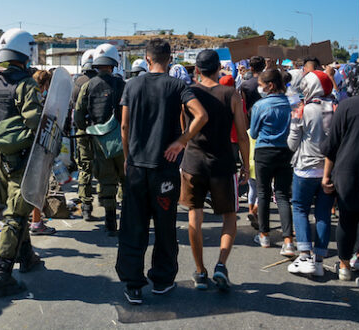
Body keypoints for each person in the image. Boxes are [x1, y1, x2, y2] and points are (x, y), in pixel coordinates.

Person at [116, 39, 207, 304]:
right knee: (165, 226)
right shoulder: (178, 85)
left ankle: (133, 284)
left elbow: (124, 126)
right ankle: (162, 280)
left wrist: (127, 157)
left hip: (136, 167)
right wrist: (181, 141)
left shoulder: (131, 85)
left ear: (147, 59)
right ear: (170, 60)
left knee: (133, 226)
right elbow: (200, 115)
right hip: (165, 170)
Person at [0, 28, 44, 297]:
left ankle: (26, 256)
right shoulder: (26, 84)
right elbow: (36, 122)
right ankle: (1, 274)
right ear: (25, 52)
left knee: (18, 206)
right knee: (15, 214)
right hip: (23, 157)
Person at [180, 50, 249, 291]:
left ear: (196, 69)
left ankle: (200, 271)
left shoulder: (189, 92)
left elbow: (184, 128)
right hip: (223, 164)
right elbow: (241, 134)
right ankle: (221, 264)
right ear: (219, 68)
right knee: (229, 216)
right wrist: (246, 165)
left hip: (193, 163)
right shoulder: (231, 93)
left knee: (194, 215)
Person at [320, 60, 359, 297]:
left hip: (347, 172)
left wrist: (326, 175)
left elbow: (332, 145)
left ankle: (343, 265)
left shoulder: (347, 106)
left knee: (346, 219)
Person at [286, 71, 335, 277]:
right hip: (328, 170)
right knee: (323, 214)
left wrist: (295, 123)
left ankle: (304, 255)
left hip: (305, 168)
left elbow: (291, 144)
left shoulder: (303, 109)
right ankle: (320, 260)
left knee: (300, 209)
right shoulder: (335, 108)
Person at [74, 43, 126, 235]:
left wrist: (90, 130)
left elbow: (78, 117)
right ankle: (128, 221)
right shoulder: (122, 85)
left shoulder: (87, 86)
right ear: (114, 63)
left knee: (106, 180)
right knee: (125, 180)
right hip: (121, 139)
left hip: (98, 141)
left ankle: (110, 222)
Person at [250, 70, 296, 256]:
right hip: (286, 151)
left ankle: (264, 235)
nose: (259, 87)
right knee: (283, 196)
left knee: (263, 193)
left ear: (269, 85)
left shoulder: (260, 105)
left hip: (264, 151)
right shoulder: (291, 104)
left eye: (261, 84)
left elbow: (253, 133)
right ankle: (288, 241)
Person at [72, 50, 98, 221]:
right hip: (101, 132)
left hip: (82, 133)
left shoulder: (76, 83)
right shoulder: (100, 82)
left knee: (84, 168)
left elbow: (72, 109)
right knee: (105, 168)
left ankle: (86, 207)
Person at [30, 69, 56, 235]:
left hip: (28, 146)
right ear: (46, 84)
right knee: (39, 187)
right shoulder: (43, 100)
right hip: (40, 148)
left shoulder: (29, 96)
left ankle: (33, 219)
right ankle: (36, 222)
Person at [240, 55, 266, 121]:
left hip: (252, 118)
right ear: (264, 67)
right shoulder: (270, 83)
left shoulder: (245, 85)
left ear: (251, 68)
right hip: (268, 117)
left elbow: (244, 105)